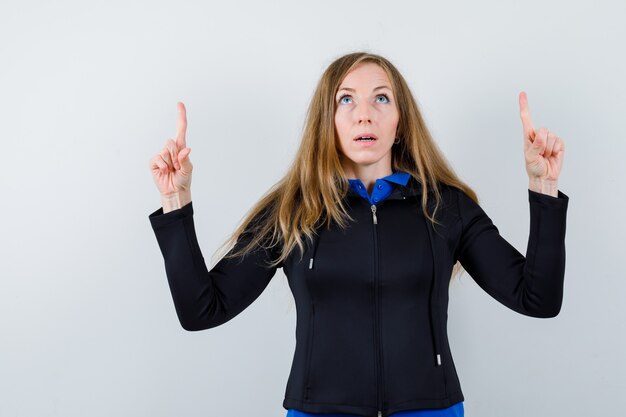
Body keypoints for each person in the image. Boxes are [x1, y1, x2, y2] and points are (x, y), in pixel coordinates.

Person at [148, 52, 569, 417]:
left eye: (381, 98)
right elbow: (202, 311)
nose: (364, 113)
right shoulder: (293, 210)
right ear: (327, 121)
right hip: (319, 412)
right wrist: (176, 200)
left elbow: (537, 299)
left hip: (430, 409)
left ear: (401, 121)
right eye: (346, 99)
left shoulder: (446, 207)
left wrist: (543, 188)